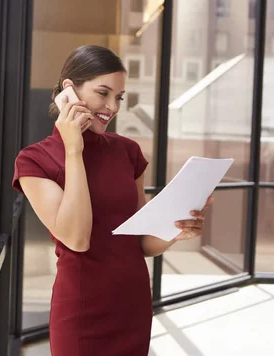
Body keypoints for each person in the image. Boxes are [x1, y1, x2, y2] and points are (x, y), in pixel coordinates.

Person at [12, 45, 213, 356]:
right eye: (102, 93)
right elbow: (77, 238)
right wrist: (74, 149)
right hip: (81, 312)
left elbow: (141, 242)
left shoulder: (127, 152)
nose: (112, 106)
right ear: (70, 91)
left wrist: (176, 230)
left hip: (132, 305)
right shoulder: (34, 161)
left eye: (118, 97)